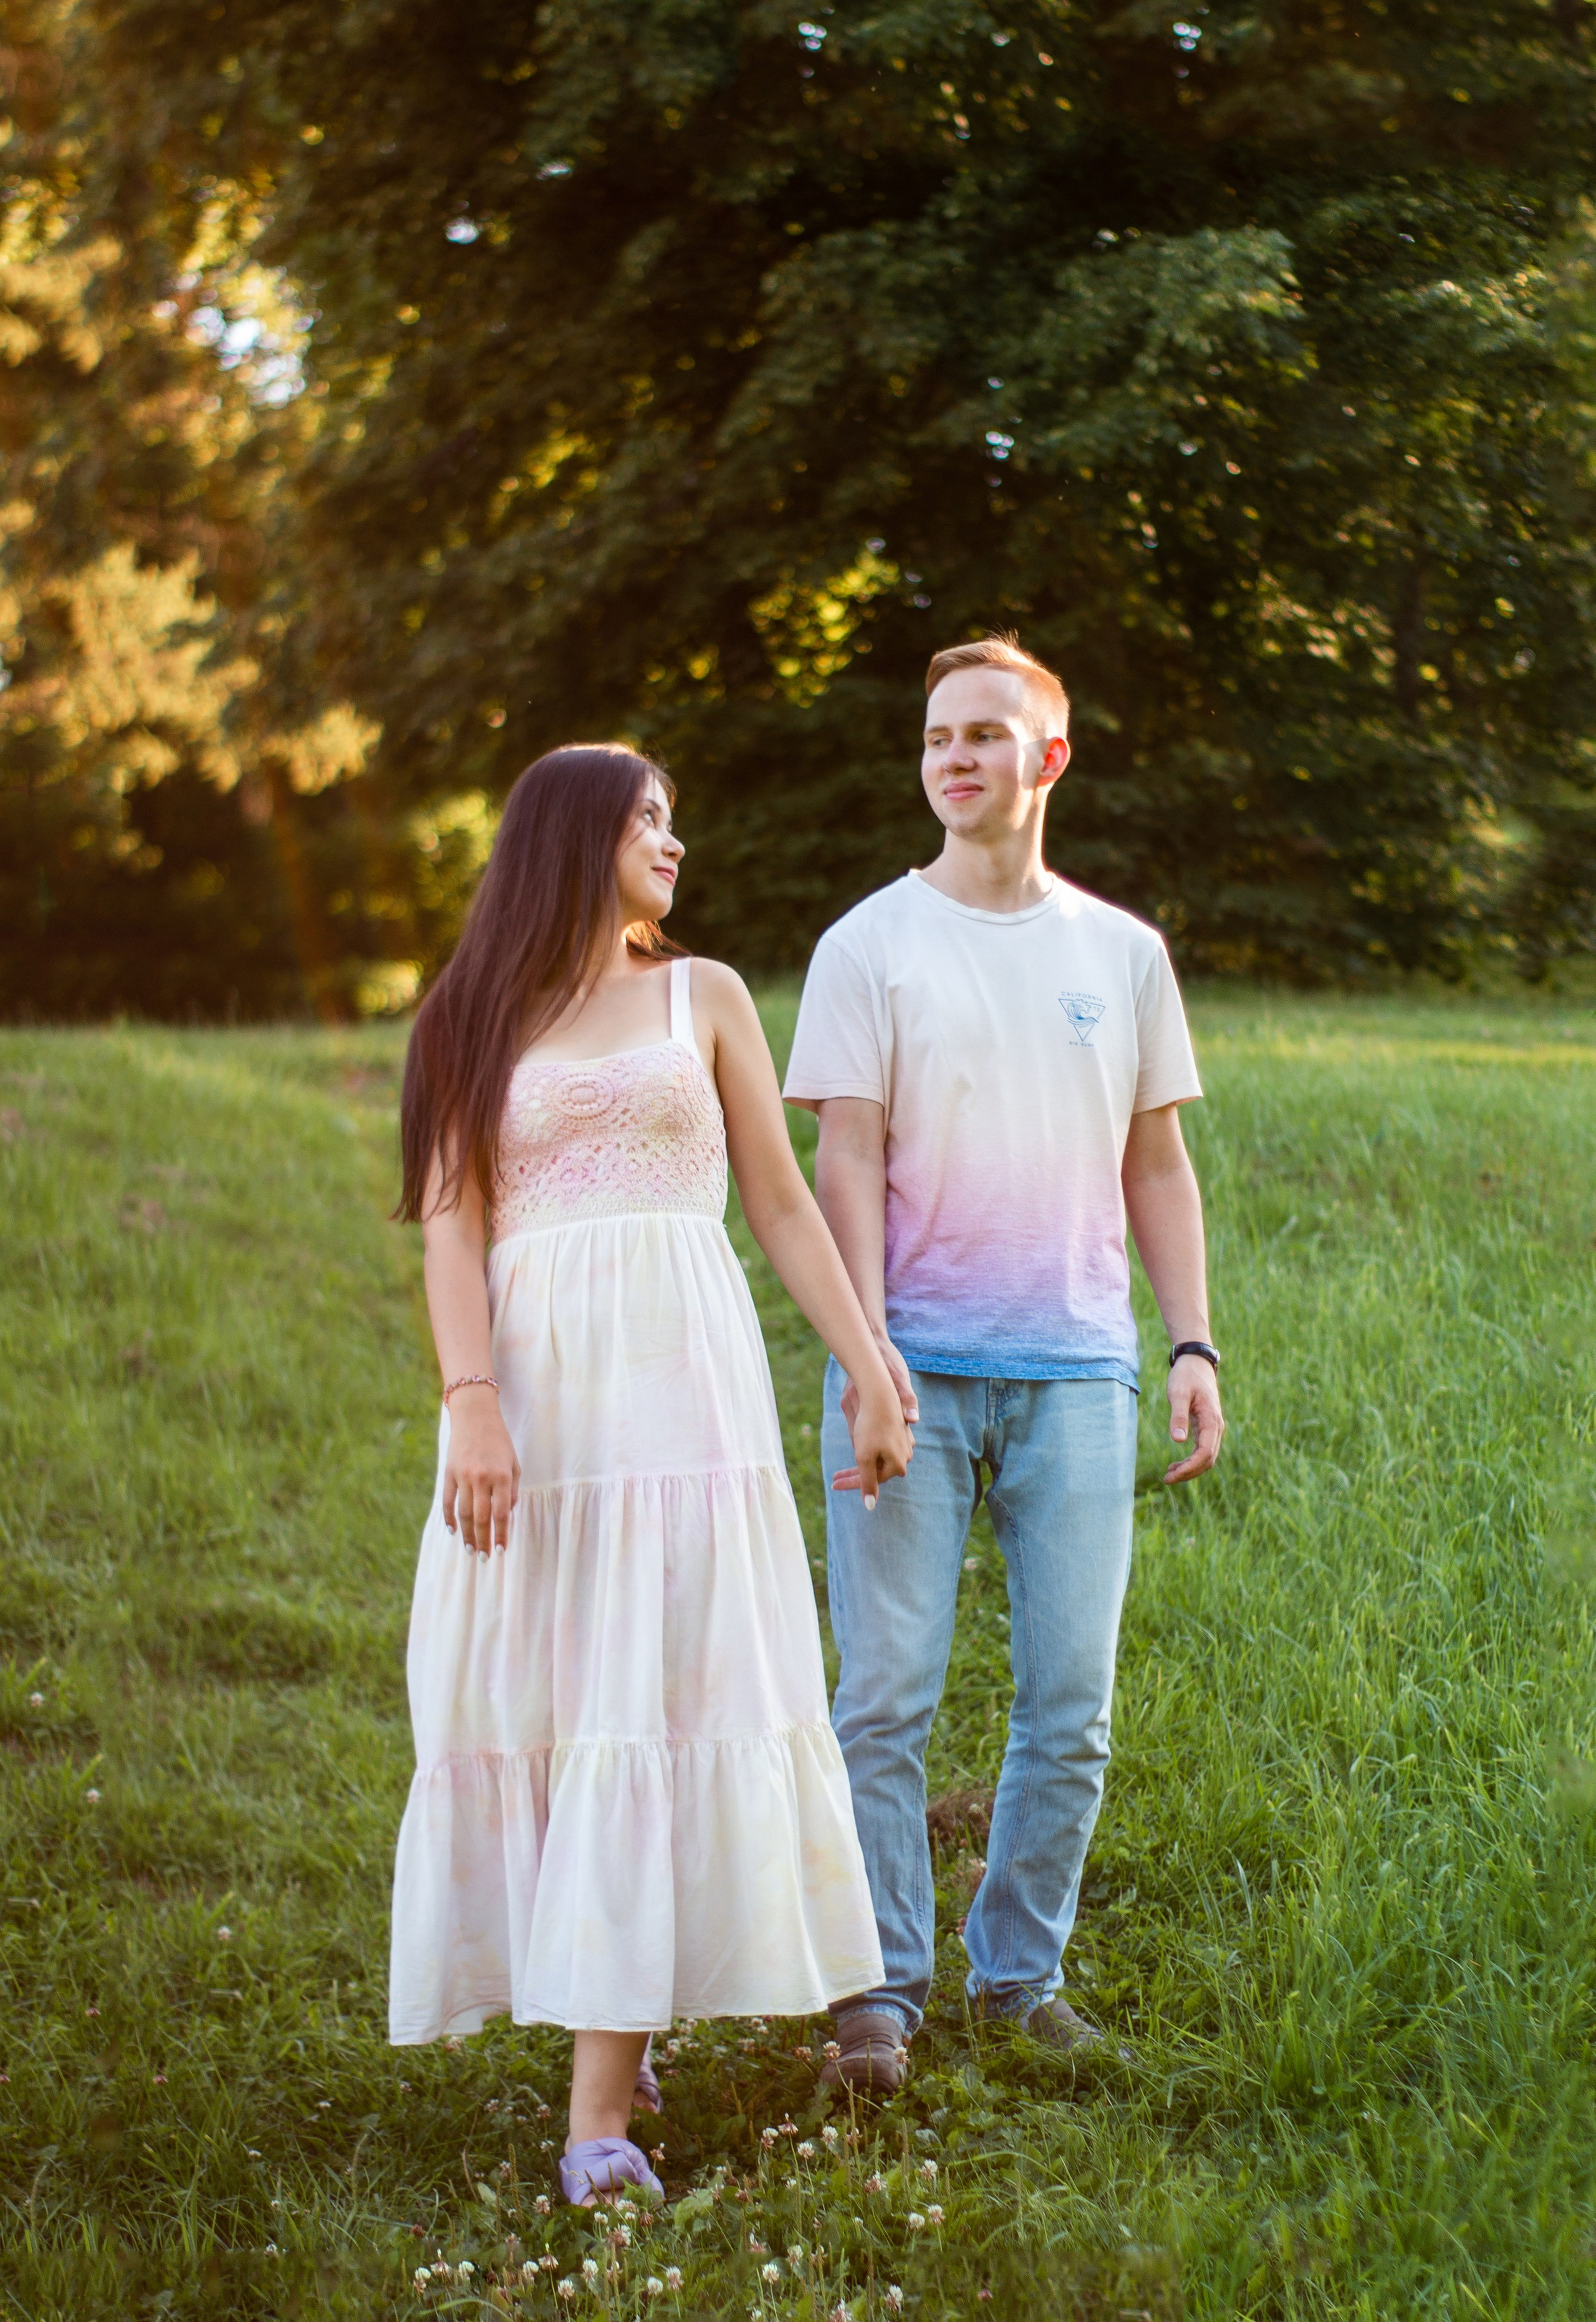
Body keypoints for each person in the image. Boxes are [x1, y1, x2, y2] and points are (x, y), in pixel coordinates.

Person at [388, 744, 912, 2202]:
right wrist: (472, 1402)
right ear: (572, 841)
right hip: (542, 1408)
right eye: (648, 822)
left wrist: (867, 1363)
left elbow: (782, 1200)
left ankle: (595, 2120)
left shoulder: (708, 995)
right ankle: (609, 2034)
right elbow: (447, 1230)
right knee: (561, 1700)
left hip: (687, 1401)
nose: (674, 844)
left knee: (663, 1689)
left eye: (675, 820)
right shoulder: (465, 1018)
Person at [782, 635, 1224, 2094]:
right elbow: (838, 1157)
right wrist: (864, 1357)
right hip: (906, 1366)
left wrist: (1190, 1340)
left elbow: (1155, 1164)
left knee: (1070, 1706)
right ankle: (877, 1992)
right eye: (934, 738)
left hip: (1078, 1375)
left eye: (984, 733)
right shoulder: (868, 944)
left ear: (1048, 758)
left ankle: (1017, 1975)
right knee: (884, 1695)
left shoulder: (1121, 953)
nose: (955, 756)